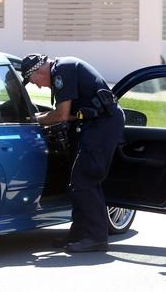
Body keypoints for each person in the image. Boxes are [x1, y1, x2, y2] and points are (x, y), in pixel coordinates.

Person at [21, 53, 125, 253]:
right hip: (93, 124)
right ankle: (79, 233)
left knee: (85, 178)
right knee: (77, 181)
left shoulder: (62, 71)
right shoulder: (63, 68)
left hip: (102, 125)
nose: (39, 87)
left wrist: (33, 119)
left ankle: (96, 237)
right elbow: (69, 114)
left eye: (35, 82)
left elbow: (60, 115)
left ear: (39, 71)